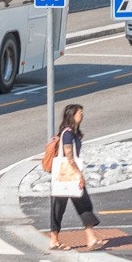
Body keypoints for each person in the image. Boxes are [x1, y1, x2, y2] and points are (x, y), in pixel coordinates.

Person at [48, 103, 105, 252]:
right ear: (72, 115)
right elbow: (69, 156)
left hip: (70, 177)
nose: (82, 115)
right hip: (67, 176)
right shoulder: (67, 134)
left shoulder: (72, 133)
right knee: (59, 208)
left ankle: (90, 238)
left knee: (83, 205)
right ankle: (54, 240)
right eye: (80, 112)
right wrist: (79, 174)